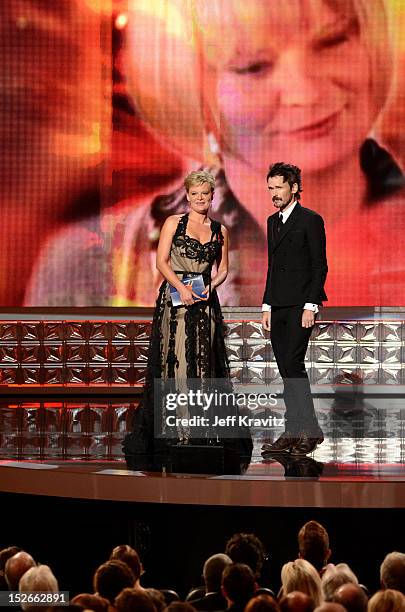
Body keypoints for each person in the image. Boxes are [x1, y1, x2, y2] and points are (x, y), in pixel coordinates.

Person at [25, 0, 405, 308]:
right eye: (252, 67)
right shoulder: (93, 266)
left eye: (333, 40)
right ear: (187, 90)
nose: (304, 91)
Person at [123, 170, 252, 457]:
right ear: (187, 195)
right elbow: (161, 262)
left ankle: (201, 428)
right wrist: (181, 287)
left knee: (205, 363)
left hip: (205, 302)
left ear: (211, 196)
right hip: (175, 299)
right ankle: (178, 429)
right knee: (178, 360)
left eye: (204, 193)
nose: (199, 198)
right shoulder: (173, 223)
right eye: (194, 194)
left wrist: (209, 286)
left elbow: (224, 270)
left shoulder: (220, 231)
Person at [261, 163, 327, 456]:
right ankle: (292, 430)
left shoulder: (310, 220)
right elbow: (272, 267)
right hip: (278, 305)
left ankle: (310, 431)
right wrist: (266, 305)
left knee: (294, 364)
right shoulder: (272, 221)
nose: (274, 194)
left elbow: (319, 265)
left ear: (294, 187)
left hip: (301, 305)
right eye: (270, 188)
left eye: (278, 188)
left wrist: (311, 305)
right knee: (285, 368)